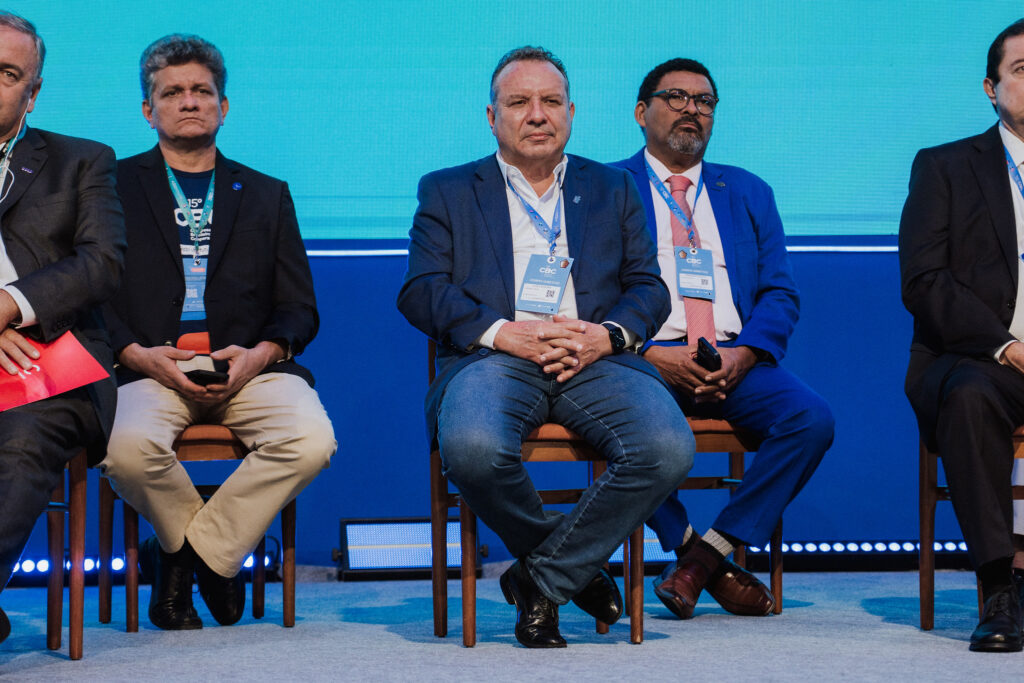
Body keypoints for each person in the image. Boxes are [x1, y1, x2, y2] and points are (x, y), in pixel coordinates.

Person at [397, 46, 694, 648]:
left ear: (571, 112)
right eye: (519, 102)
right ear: (492, 117)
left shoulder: (612, 187)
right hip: (496, 357)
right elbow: (421, 291)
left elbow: (647, 286)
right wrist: (506, 333)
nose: (537, 114)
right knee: (473, 448)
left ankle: (542, 577)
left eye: (550, 102)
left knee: (665, 448)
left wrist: (604, 335)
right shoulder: (448, 190)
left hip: (595, 358)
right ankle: (575, 571)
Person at [99, 34, 336, 631]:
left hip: (248, 368)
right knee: (124, 452)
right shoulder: (110, 189)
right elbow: (92, 296)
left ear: (223, 106)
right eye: (171, 92)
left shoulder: (266, 194)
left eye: (201, 91)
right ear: (147, 110)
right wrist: (136, 354)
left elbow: (299, 308)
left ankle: (190, 556)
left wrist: (261, 355)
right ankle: (216, 561)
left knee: (311, 440)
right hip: (147, 365)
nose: (188, 102)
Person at [611, 58, 834, 621]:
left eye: (704, 101)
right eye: (677, 97)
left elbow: (781, 293)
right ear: (642, 113)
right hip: (646, 361)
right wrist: (651, 354)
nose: (692, 109)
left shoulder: (749, 192)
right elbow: (589, 295)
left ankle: (706, 555)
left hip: (734, 358)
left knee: (811, 419)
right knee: (616, 422)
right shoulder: (607, 187)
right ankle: (691, 551)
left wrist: (742, 355)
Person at [0, 10, 125, 644]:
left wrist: (10, 305)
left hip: (51, 363)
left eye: (6, 73)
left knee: (20, 442)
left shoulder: (80, 162)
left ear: (33, 90)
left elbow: (102, 264)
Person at [900, 18, 1024, 653]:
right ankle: (1001, 587)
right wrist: (1008, 345)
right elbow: (925, 281)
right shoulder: (946, 167)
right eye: (1023, 70)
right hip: (982, 356)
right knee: (973, 396)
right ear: (990, 87)